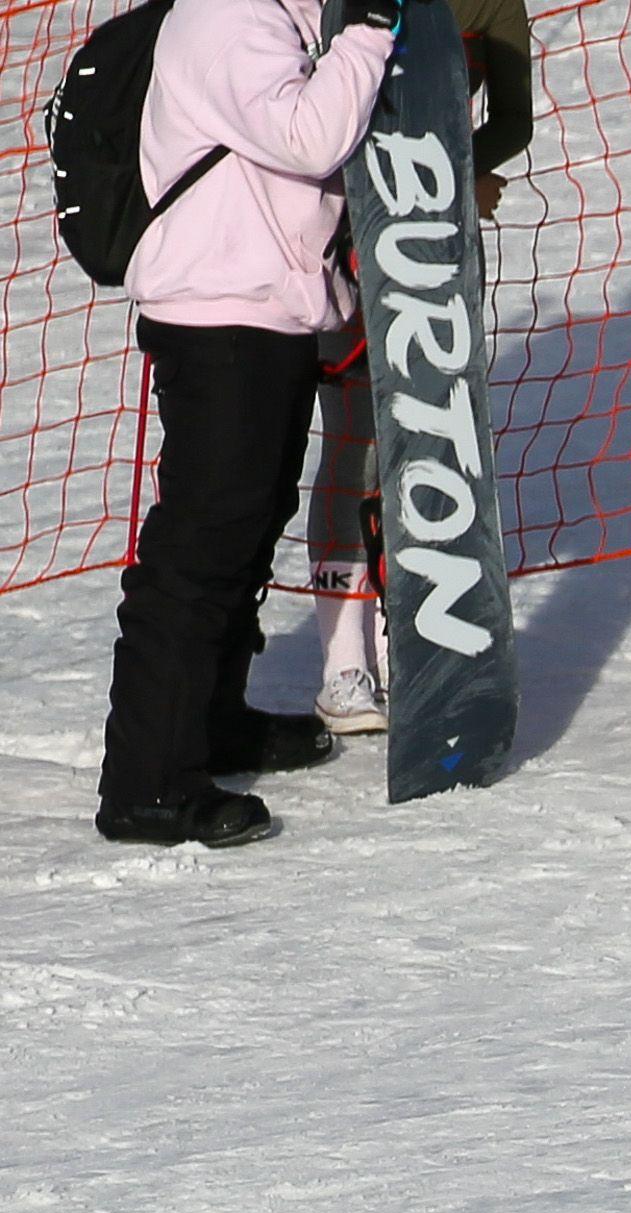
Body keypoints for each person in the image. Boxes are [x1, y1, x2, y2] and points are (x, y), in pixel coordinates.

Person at [97, 0, 397, 847]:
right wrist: (372, 32)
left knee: (247, 526)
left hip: (269, 312)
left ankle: (213, 721)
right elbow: (308, 137)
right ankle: (147, 782)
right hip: (217, 316)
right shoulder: (226, 15)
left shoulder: (279, 15)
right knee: (198, 546)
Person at [306, 0, 534, 736]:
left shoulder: (492, 1)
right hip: (368, 228)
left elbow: (513, 121)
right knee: (368, 440)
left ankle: (404, 642)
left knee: (416, 438)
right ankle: (345, 664)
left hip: (420, 227)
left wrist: (456, 172)